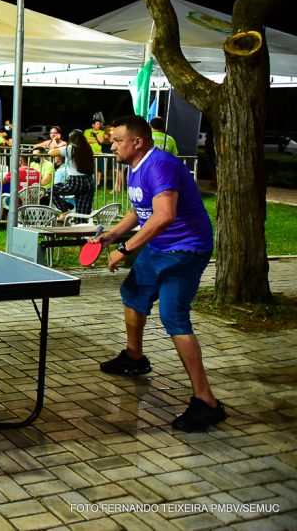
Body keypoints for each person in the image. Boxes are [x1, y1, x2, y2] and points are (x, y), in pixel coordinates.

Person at [94, 114, 222, 432]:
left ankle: (207, 402)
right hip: (159, 247)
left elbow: (164, 215)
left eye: (117, 140)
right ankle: (134, 358)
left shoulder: (160, 164)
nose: (112, 145)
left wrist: (125, 249)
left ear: (137, 141)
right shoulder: (138, 168)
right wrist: (114, 233)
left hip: (185, 249)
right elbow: (140, 210)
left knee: (173, 316)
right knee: (133, 293)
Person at [45, 129, 95, 219]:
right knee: (82, 214)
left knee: (51, 190)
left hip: (76, 182)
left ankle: (65, 210)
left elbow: (51, 152)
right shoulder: (88, 149)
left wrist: (54, 140)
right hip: (89, 181)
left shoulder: (70, 148)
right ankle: (82, 229)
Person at [83, 117, 107, 184]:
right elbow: (86, 141)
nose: (98, 126)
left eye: (99, 124)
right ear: (93, 125)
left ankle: (97, 183)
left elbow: (101, 141)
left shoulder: (101, 132)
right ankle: (90, 182)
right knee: (90, 168)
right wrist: (95, 140)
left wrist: (96, 134)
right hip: (89, 152)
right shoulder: (87, 131)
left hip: (98, 152)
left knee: (99, 168)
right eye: (97, 124)